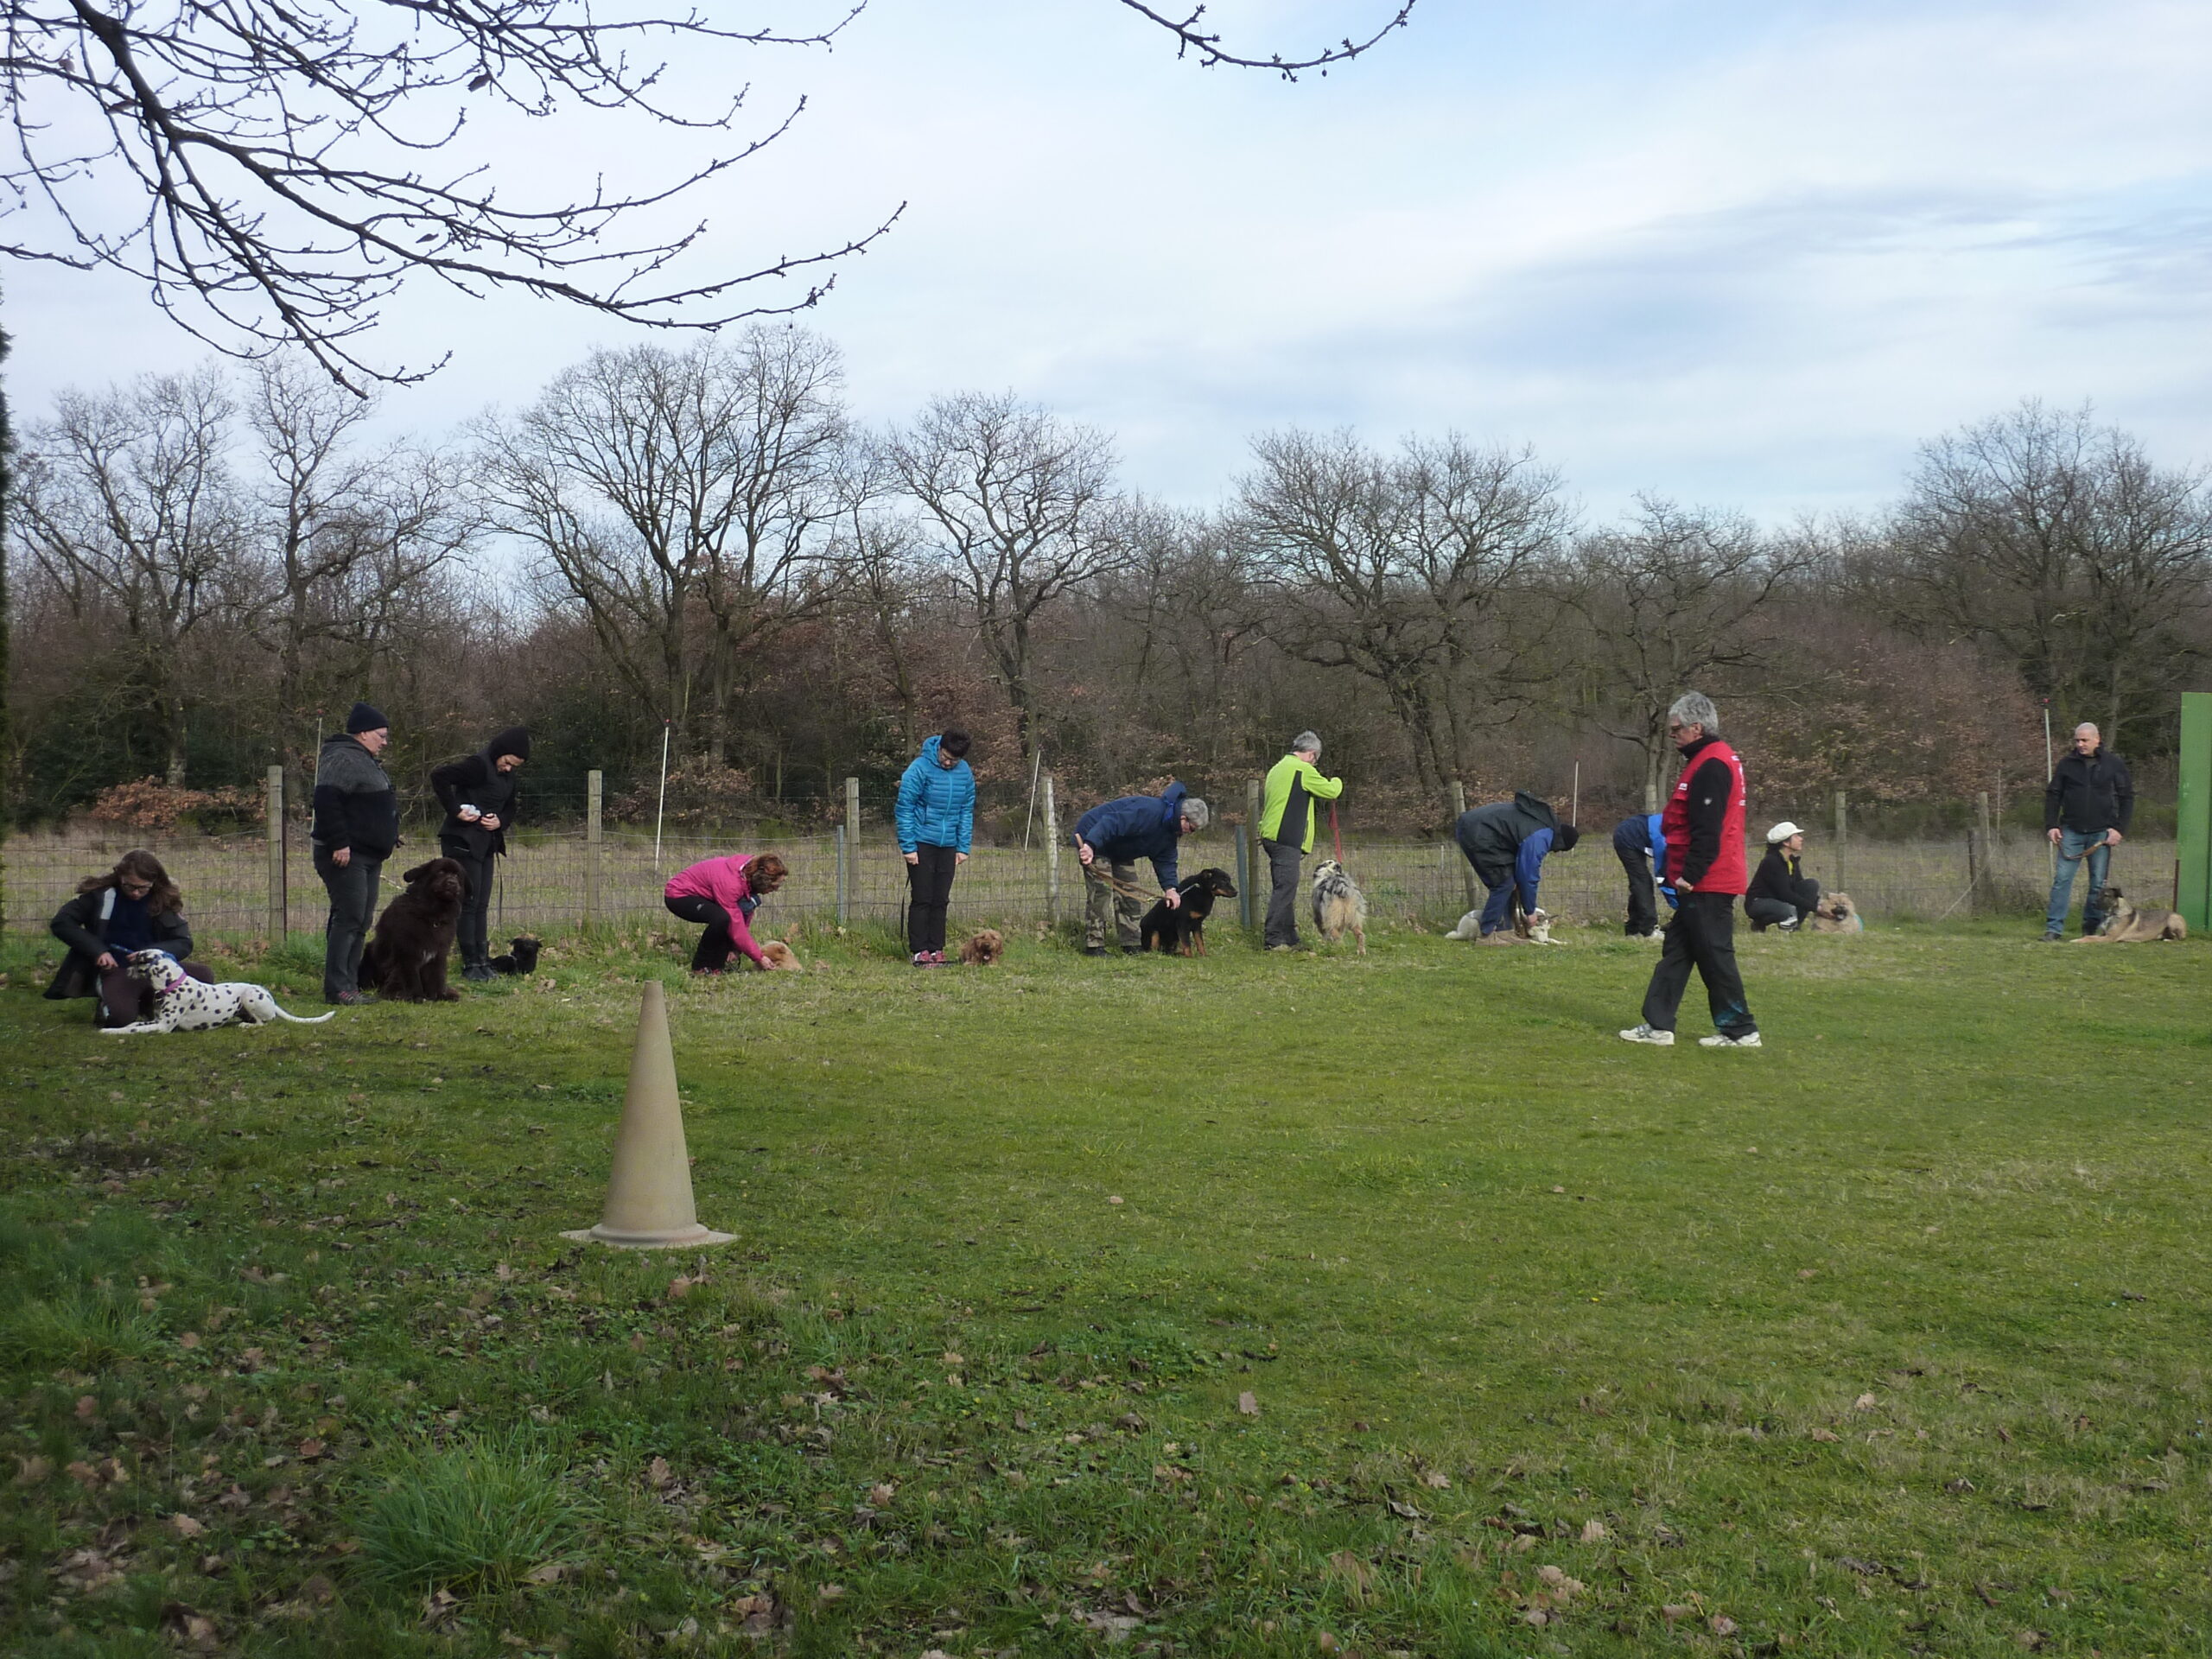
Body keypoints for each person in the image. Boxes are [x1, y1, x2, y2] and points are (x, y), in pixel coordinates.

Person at [1621, 691, 1760, 1048]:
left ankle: (1740, 1030)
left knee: (1714, 954)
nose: (1672, 736)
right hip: (1704, 878)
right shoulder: (1709, 759)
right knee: (1678, 950)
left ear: (1696, 728)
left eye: (1676, 730)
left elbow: (1707, 828)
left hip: (1708, 879)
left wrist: (1690, 875)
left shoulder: (1712, 764)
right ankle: (1658, 1025)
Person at [45, 850, 214, 1027]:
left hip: (154, 968)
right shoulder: (100, 896)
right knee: (120, 1018)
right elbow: (62, 922)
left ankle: (149, 1002)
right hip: (117, 969)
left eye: (143, 888)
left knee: (204, 975)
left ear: (154, 883)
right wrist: (98, 950)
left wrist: (153, 954)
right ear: (120, 877)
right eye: (129, 886)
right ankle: (111, 1004)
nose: (135, 893)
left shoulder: (163, 899)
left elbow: (183, 942)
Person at [312, 702, 401, 1006]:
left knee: (361, 920)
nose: (385, 741)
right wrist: (339, 842)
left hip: (368, 855)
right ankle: (338, 989)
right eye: (381, 735)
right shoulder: (342, 758)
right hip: (346, 856)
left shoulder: (363, 759)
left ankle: (350, 984)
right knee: (348, 919)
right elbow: (326, 802)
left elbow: (363, 807)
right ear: (363, 733)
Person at [430, 726, 529, 982]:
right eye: (507, 762)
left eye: (514, 766)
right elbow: (439, 776)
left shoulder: (508, 776)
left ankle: (483, 961)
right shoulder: (477, 765)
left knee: (482, 904)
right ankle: (470, 963)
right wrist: (455, 810)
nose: (508, 769)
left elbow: (510, 806)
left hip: (486, 842)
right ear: (500, 752)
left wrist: (500, 822)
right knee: (468, 903)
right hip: (462, 841)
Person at [1071, 781, 1210, 956]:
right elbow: (1112, 822)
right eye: (1192, 828)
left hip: (1120, 850)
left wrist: (1171, 889)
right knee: (1101, 892)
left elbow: (1166, 860)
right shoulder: (1150, 811)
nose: (1191, 833)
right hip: (1095, 836)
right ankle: (1094, 945)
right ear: (1183, 818)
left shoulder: (1170, 834)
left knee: (1130, 895)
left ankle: (1131, 944)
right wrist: (1090, 845)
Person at [2043, 721, 2134, 941]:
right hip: (2071, 831)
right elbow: (2053, 794)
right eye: (2077, 740)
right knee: (2062, 880)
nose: (2080, 744)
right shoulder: (2067, 764)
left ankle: (2090, 929)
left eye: (2084, 740)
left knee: (2097, 885)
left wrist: (2119, 829)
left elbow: (2127, 797)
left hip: (2101, 833)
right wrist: (2052, 825)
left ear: (2097, 739)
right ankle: (2054, 929)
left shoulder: (2113, 764)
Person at [895, 728, 976, 968]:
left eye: (954, 760)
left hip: (949, 844)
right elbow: (905, 807)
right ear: (939, 747)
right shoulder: (919, 768)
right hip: (921, 841)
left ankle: (936, 949)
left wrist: (963, 847)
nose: (948, 763)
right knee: (922, 897)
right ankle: (920, 951)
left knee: (941, 899)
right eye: (945, 757)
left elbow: (966, 810)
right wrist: (908, 846)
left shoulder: (965, 773)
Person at [1257, 731, 1344, 951]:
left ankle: (1290, 938)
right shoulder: (1303, 770)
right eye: (1316, 760)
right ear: (1312, 754)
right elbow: (1331, 790)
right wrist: (1337, 779)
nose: (1315, 764)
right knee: (1285, 889)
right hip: (1287, 838)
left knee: (1286, 888)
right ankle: (1274, 940)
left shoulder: (1277, 769)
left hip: (1271, 836)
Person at [1453, 791, 1580, 938]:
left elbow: (1521, 871)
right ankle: (1487, 934)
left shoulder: (1542, 826)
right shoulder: (1540, 838)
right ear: (1561, 843)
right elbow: (1528, 875)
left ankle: (1505, 931)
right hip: (1479, 832)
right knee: (1504, 883)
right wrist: (1530, 911)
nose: (1555, 852)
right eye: (1559, 850)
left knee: (1510, 883)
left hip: (1480, 829)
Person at [664, 853, 788, 973]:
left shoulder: (748, 875)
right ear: (763, 880)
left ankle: (717, 968)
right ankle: (700, 967)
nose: (775, 890)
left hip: (703, 895)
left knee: (727, 918)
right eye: (774, 886)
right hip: (678, 895)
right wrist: (759, 957)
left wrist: (736, 949)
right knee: (721, 918)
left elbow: (743, 918)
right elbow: (735, 925)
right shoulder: (731, 883)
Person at [1745, 821, 1821, 931]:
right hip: (1759, 902)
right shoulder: (1772, 861)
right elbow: (1785, 894)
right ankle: (1759, 923)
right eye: (1796, 836)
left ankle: (1795, 926)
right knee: (1786, 910)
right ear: (1786, 842)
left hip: (1779, 899)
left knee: (1811, 885)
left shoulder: (1791, 860)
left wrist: (1820, 903)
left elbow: (1798, 887)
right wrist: (1816, 908)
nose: (1801, 839)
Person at [1611, 810, 1675, 938]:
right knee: (1642, 882)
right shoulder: (1664, 841)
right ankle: (1648, 929)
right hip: (1626, 837)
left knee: (1639, 883)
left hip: (1639, 832)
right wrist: (1676, 903)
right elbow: (1662, 876)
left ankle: (1633, 929)